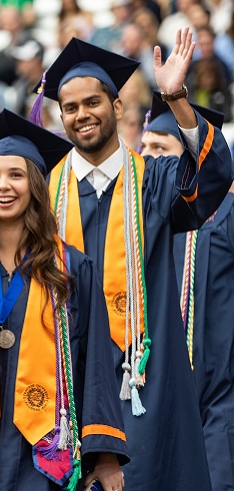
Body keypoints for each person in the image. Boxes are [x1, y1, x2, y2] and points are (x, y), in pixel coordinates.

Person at [40, 30, 233, 491]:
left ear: (118, 107)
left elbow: (212, 175)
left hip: (145, 377)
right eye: (71, 108)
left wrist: (175, 98)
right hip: (68, 380)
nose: (83, 115)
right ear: (61, 117)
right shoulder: (45, 194)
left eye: (93, 102)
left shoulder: (155, 180)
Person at [0, 109, 128, 490]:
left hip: (45, 448)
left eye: (16, 175)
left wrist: (103, 456)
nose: (4, 186)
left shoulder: (70, 267)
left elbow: (96, 360)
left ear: (35, 184)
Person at [139, 94, 234, 490]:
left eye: (160, 149)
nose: (148, 158)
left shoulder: (225, 216)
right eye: (143, 148)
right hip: (155, 393)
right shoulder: (136, 219)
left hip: (218, 395)